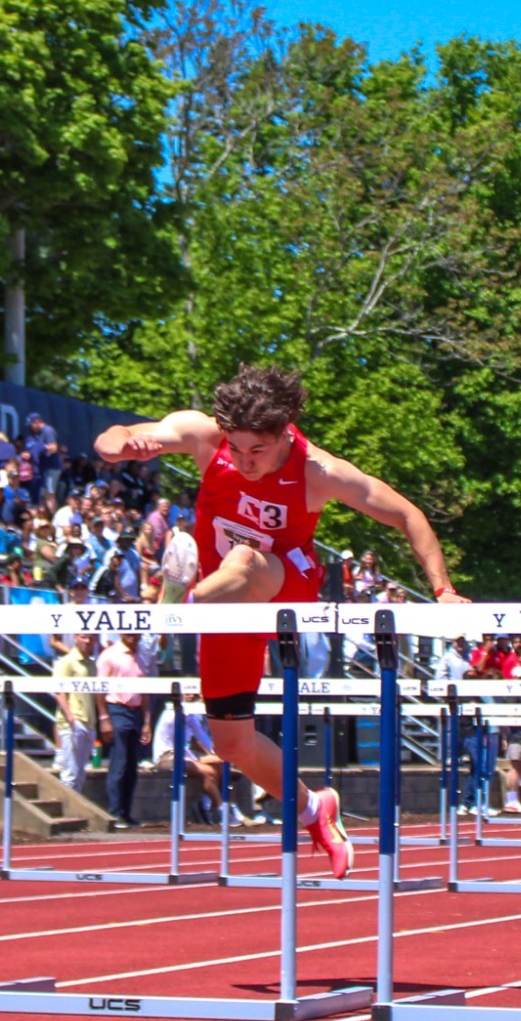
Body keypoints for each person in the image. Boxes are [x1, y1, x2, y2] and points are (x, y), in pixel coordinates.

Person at [94, 364, 468, 876]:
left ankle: (176, 603)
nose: (246, 463)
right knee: (231, 744)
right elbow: (117, 436)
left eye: (259, 452)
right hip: (226, 610)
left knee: (246, 560)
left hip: (284, 582)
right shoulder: (206, 437)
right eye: (238, 450)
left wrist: (443, 590)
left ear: (285, 433)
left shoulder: (319, 471)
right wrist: (119, 447)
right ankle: (315, 809)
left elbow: (406, 514)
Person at [95, 631, 150, 828]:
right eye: (129, 633)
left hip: (136, 712)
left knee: (132, 766)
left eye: (136, 633)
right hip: (117, 709)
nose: (133, 637)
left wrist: (147, 722)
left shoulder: (140, 658)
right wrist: (104, 718)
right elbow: (100, 689)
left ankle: (126, 812)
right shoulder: (109, 655)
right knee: (119, 761)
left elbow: (146, 693)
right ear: (120, 633)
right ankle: (115, 811)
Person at [51, 632, 103, 789]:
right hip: (73, 722)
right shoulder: (66, 662)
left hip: (89, 722)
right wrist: (70, 717)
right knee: (70, 773)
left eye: (91, 638)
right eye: (83, 637)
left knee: (80, 774)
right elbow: (59, 691)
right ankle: (67, 811)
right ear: (75, 637)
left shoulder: (92, 664)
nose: (87, 641)